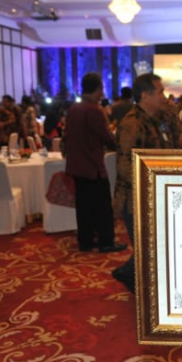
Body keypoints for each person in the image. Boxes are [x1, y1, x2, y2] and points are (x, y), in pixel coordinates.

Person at [111, 73, 180, 293]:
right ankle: (131, 279)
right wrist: (151, 187)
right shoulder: (132, 123)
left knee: (154, 245)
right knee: (148, 249)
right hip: (136, 199)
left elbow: (173, 146)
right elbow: (125, 167)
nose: (164, 97)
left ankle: (128, 274)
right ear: (145, 95)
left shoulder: (157, 119)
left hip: (156, 193)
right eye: (160, 92)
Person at [64, 72, 126, 254]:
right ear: (98, 89)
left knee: (83, 207)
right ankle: (106, 241)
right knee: (102, 206)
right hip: (92, 166)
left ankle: (86, 241)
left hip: (76, 165)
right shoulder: (94, 110)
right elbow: (105, 137)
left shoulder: (73, 109)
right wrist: (120, 146)